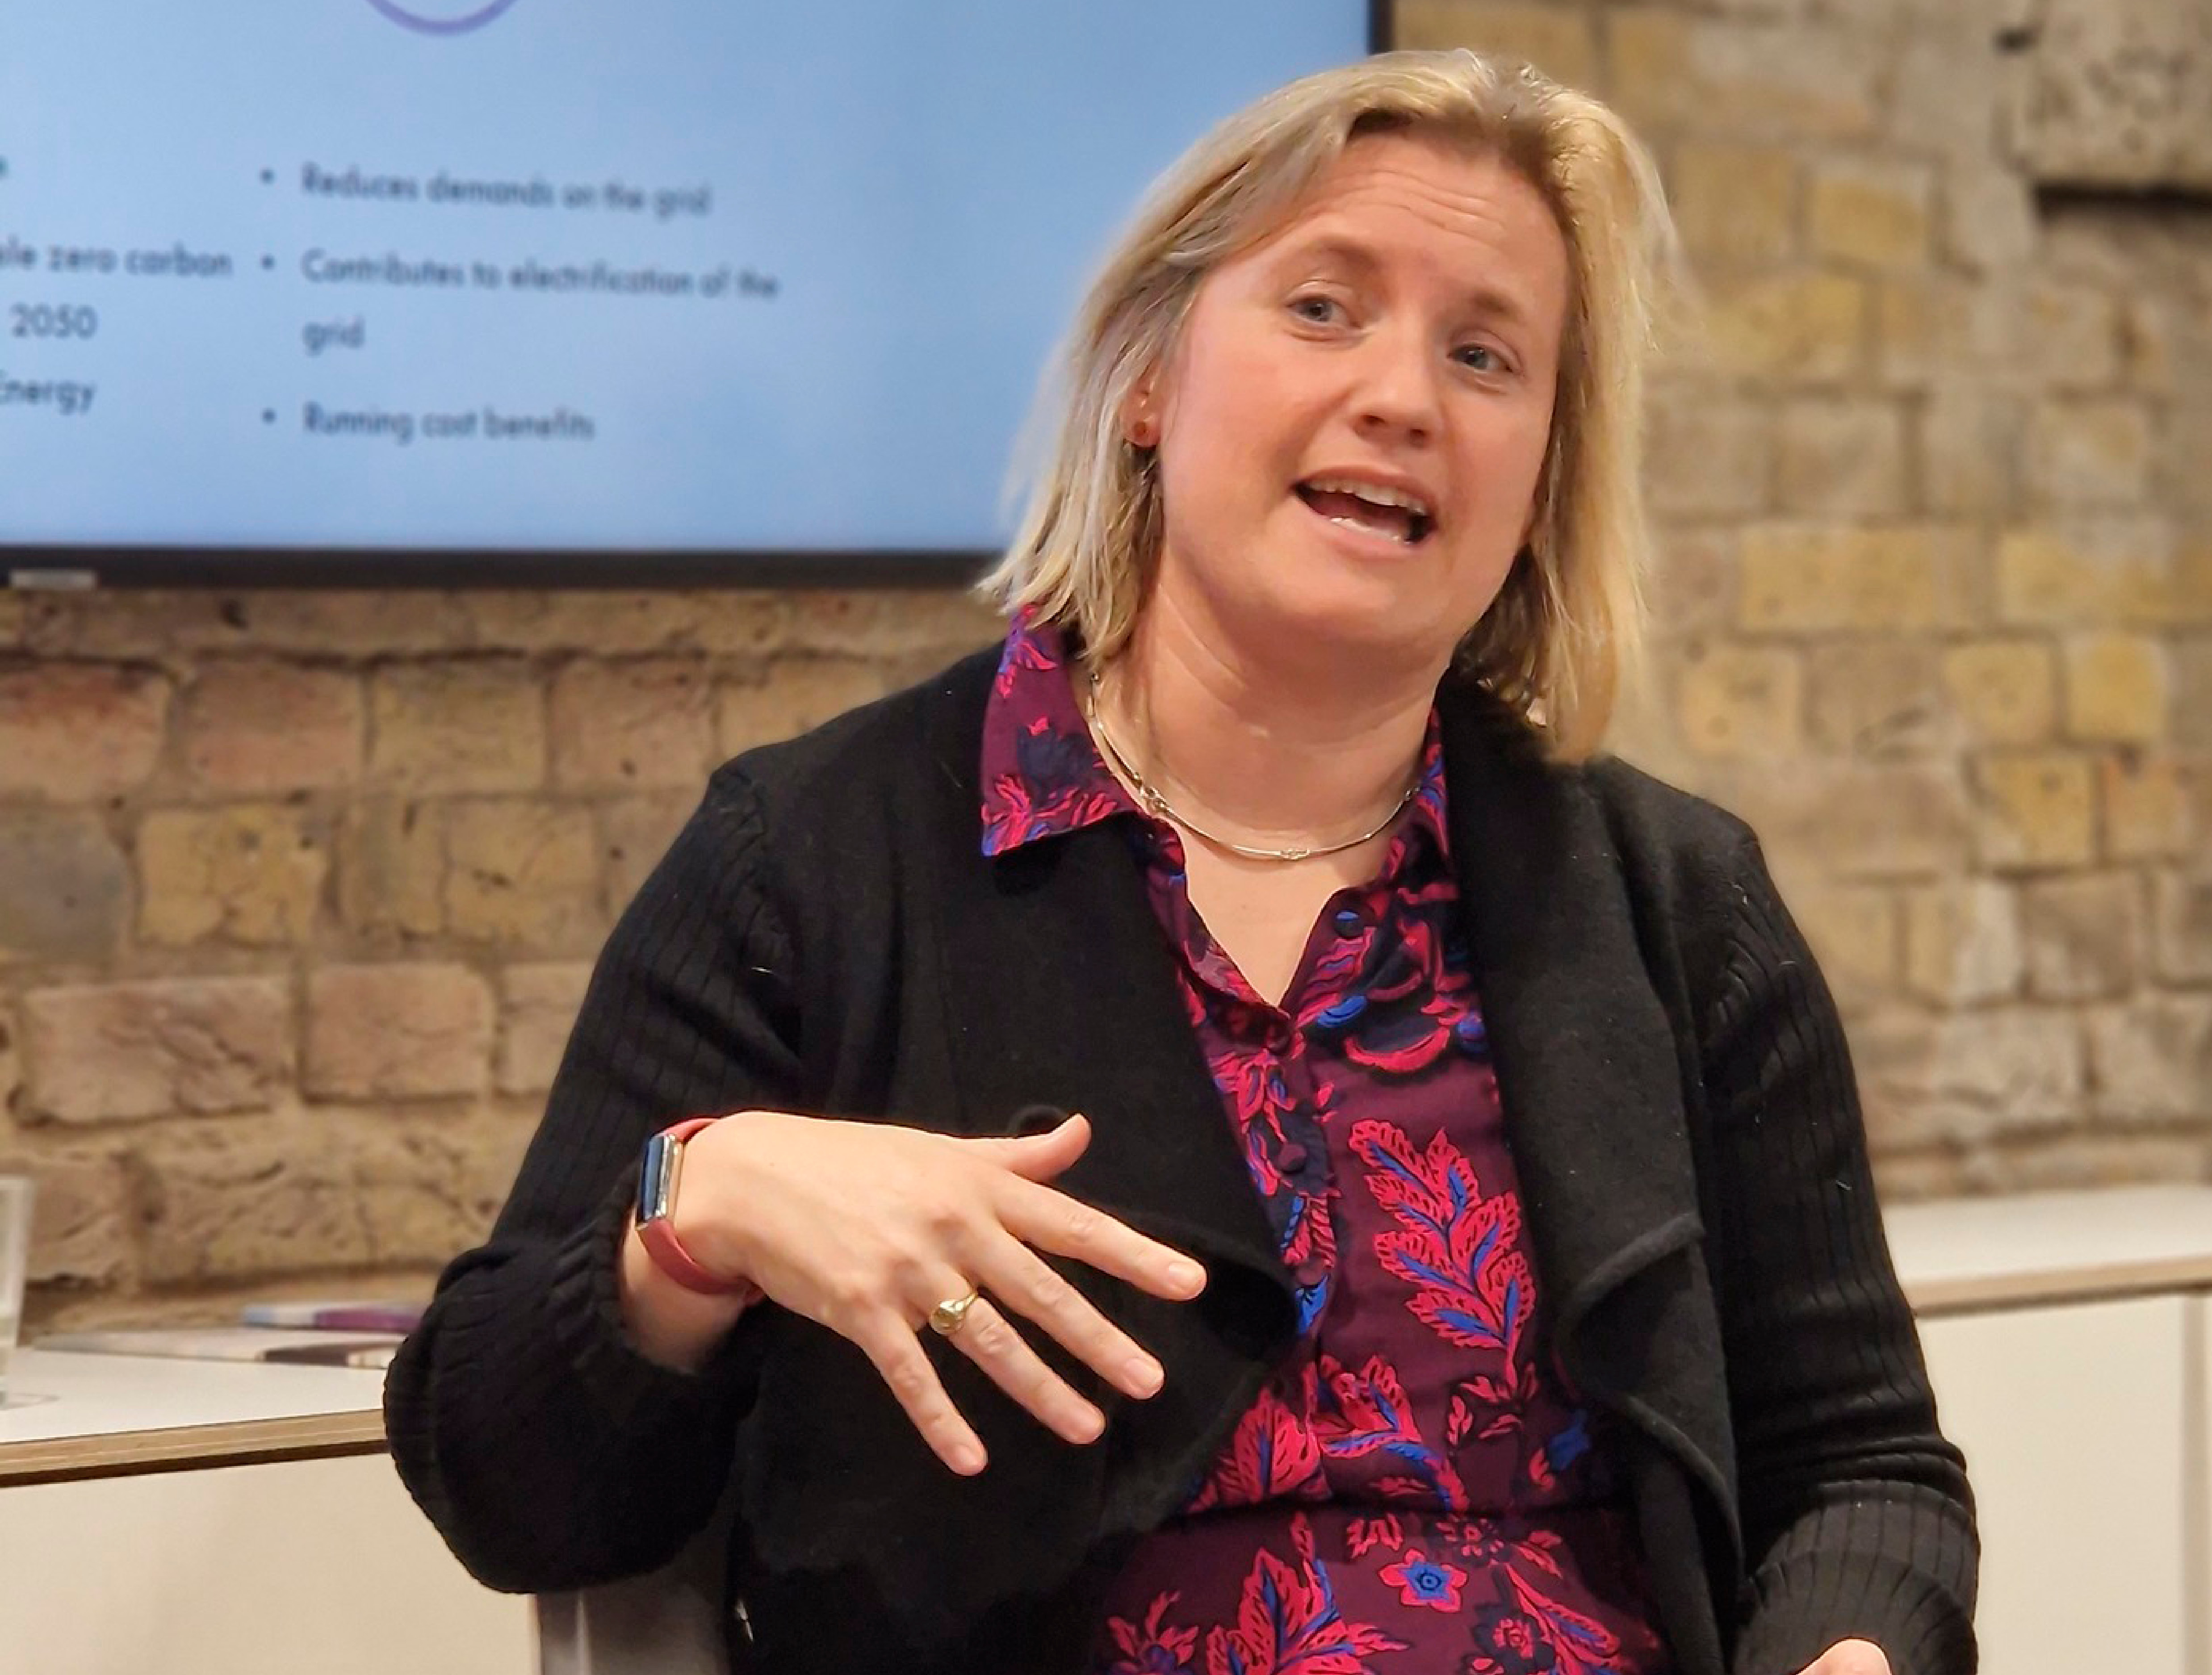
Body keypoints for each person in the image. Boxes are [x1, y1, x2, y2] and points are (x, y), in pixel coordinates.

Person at [386, 49, 1977, 1675]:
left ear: (1539, 477)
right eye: (1323, 309)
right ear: (1149, 381)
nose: (1404, 396)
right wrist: (705, 1202)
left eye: (1484, 354)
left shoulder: (1674, 903)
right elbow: (505, 1486)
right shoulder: (812, 863)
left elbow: (1859, 1471)